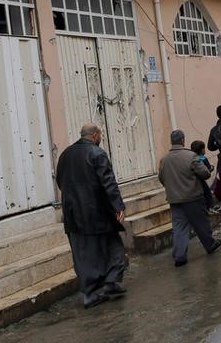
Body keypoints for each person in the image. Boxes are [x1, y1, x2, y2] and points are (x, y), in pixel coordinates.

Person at [55, 123, 128, 309]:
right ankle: (110, 282)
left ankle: (91, 292)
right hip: (97, 212)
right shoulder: (97, 153)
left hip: (74, 214)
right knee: (113, 247)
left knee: (83, 254)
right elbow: (108, 182)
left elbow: (60, 181)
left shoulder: (65, 154)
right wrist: (118, 206)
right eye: (100, 134)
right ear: (95, 135)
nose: (101, 137)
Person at [159, 130, 221, 267]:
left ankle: (180, 256)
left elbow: (161, 178)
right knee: (201, 223)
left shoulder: (164, 160)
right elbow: (204, 173)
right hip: (192, 196)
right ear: (182, 140)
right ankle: (210, 244)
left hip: (174, 200)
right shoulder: (190, 156)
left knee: (179, 227)